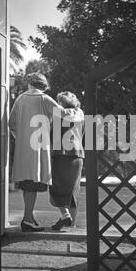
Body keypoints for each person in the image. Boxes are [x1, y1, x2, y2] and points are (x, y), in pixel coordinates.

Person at [9, 73, 78, 232]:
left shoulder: (20, 99)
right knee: (33, 183)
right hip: (39, 147)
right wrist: (77, 110)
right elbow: (63, 114)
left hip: (23, 148)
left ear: (30, 84)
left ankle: (28, 218)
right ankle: (27, 220)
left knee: (27, 184)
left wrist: (21, 137)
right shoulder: (45, 99)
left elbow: (11, 123)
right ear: (43, 86)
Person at [49, 92, 85, 230]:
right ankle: (72, 225)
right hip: (77, 155)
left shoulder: (58, 112)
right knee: (73, 192)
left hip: (61, 154)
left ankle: (65, 216)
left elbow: (51, 133)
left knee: (55, 187)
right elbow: (81, 133)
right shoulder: (80, 113)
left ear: (61, 102)